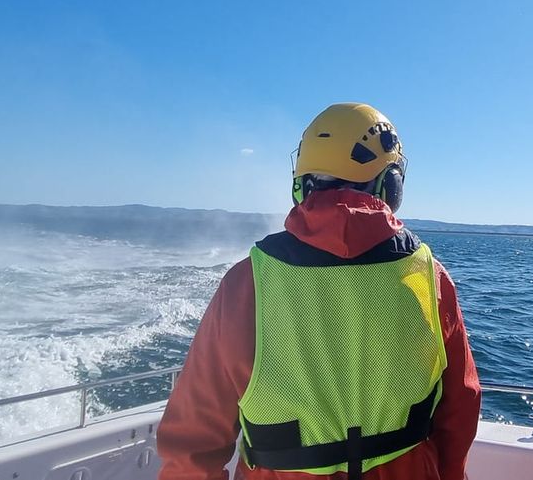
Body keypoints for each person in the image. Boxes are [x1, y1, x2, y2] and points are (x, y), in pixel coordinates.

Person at [158, 103, 482, 480]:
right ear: (390, 185)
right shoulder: (430, 278)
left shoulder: (246, 283)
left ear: (302, 185)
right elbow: (461, 406)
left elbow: (194, 440)